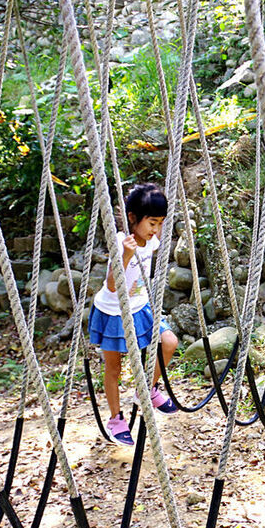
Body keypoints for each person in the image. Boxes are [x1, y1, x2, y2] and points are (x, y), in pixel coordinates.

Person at [88, 183, 179, 445]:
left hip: (140, 306)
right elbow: (112, 285)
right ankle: (116, 419)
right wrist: (126, 256)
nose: (156, 230)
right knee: (114, 368)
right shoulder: (121, 242)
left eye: (160, 223)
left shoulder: (152, 241)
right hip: (113, 311)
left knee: (169, 342)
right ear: (132, 218)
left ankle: (146, 389)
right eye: (152, 223)